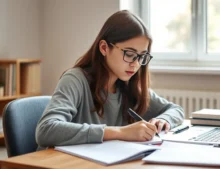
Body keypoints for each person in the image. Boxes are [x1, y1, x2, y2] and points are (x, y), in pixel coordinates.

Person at [35, 10, 184, 148]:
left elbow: (175, 110)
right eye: (129, 53)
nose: (135, 64)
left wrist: (164, 120)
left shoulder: (128, 86)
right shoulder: (75, 80)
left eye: (141, 56)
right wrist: (120, 132)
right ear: (104, 48)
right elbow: (46, 130)